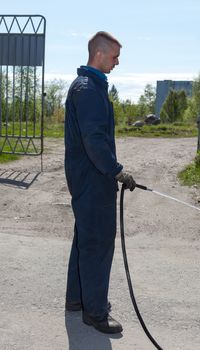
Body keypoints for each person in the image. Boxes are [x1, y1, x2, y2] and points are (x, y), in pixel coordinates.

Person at [64, 31, 136, 334]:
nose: (117, 62)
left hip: (86, 178)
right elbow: (94, 139)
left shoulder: (88, 86)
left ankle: (77, 299)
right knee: (97, 244)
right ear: (99, 54)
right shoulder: (90, 89)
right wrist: (116, 170)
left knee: (85, 238)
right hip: (93, 180)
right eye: (115, 56)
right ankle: (94, 311)